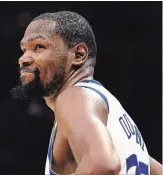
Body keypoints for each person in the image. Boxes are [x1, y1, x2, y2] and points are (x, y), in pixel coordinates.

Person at [12, 11, 162, 175]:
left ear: (78, 55)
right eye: (24, 49)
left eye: (39, 47)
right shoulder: (120, 129)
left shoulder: (74, 97)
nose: (24, 58)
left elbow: (103, 165)